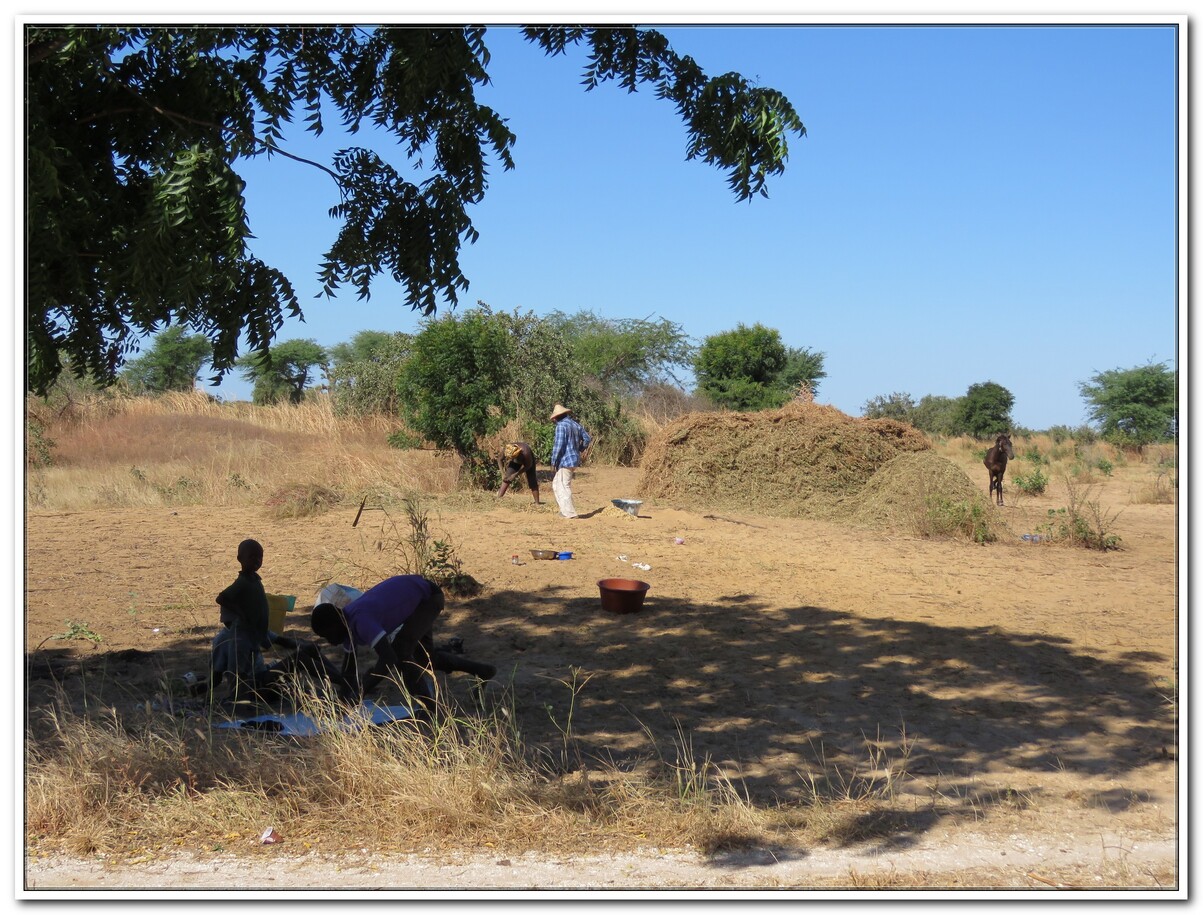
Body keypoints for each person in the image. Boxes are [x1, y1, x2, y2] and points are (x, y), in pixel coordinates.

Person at [310, 574, 444, 715]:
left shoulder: (361, 621)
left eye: (328, 635)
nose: (330, 642)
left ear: (336, 624)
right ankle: (469, 670)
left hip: (427, 596)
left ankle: (428, 708)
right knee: (426, 659)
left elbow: (388, 658)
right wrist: (342, 705)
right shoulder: (347, 625)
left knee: (401, 651)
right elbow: (349, 671)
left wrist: (361, 692)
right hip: (416, 592)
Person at [210, 538, 273, 698]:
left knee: (249, 667)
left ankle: (243, 694)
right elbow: (222, 598)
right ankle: (236, 698)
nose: (257, 561)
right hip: (242, 633)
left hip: (253, 631)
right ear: (240, 559)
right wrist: (240, 612)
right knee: (238, 669)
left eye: (260, 557)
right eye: (252, 557)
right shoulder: (243, 581)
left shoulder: (255, 580)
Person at [548, 403, 592, 519]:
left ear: (557, 417)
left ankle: (570, 513)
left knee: (563, 485)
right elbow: (587, 438)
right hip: (574, 459)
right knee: (557, 485)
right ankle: (564, 510)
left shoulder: (561, 426)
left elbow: (558, 445)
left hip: (565, 460)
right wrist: (580, 449)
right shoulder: (575, 424)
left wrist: (553, 461)